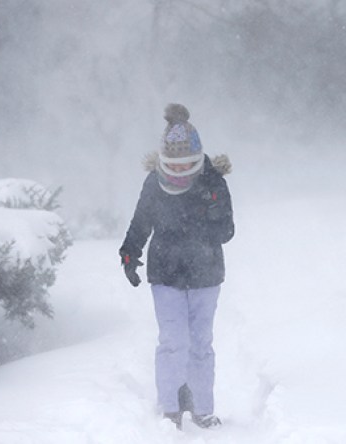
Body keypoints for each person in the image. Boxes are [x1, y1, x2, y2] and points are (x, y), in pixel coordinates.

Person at [119, 103, 234, 430]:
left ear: (197, 160)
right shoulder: (154, 183)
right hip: (166, 273)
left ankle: (202, 409)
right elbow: (141, 222)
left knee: (200, 342)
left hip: (206, 274)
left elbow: (227, 231)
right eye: (175, 166)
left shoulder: (213, 181)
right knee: (172, 340)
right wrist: (129, 252)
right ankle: (170, 408)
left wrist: (210, 214)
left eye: (187, 166)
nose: (180, 173)